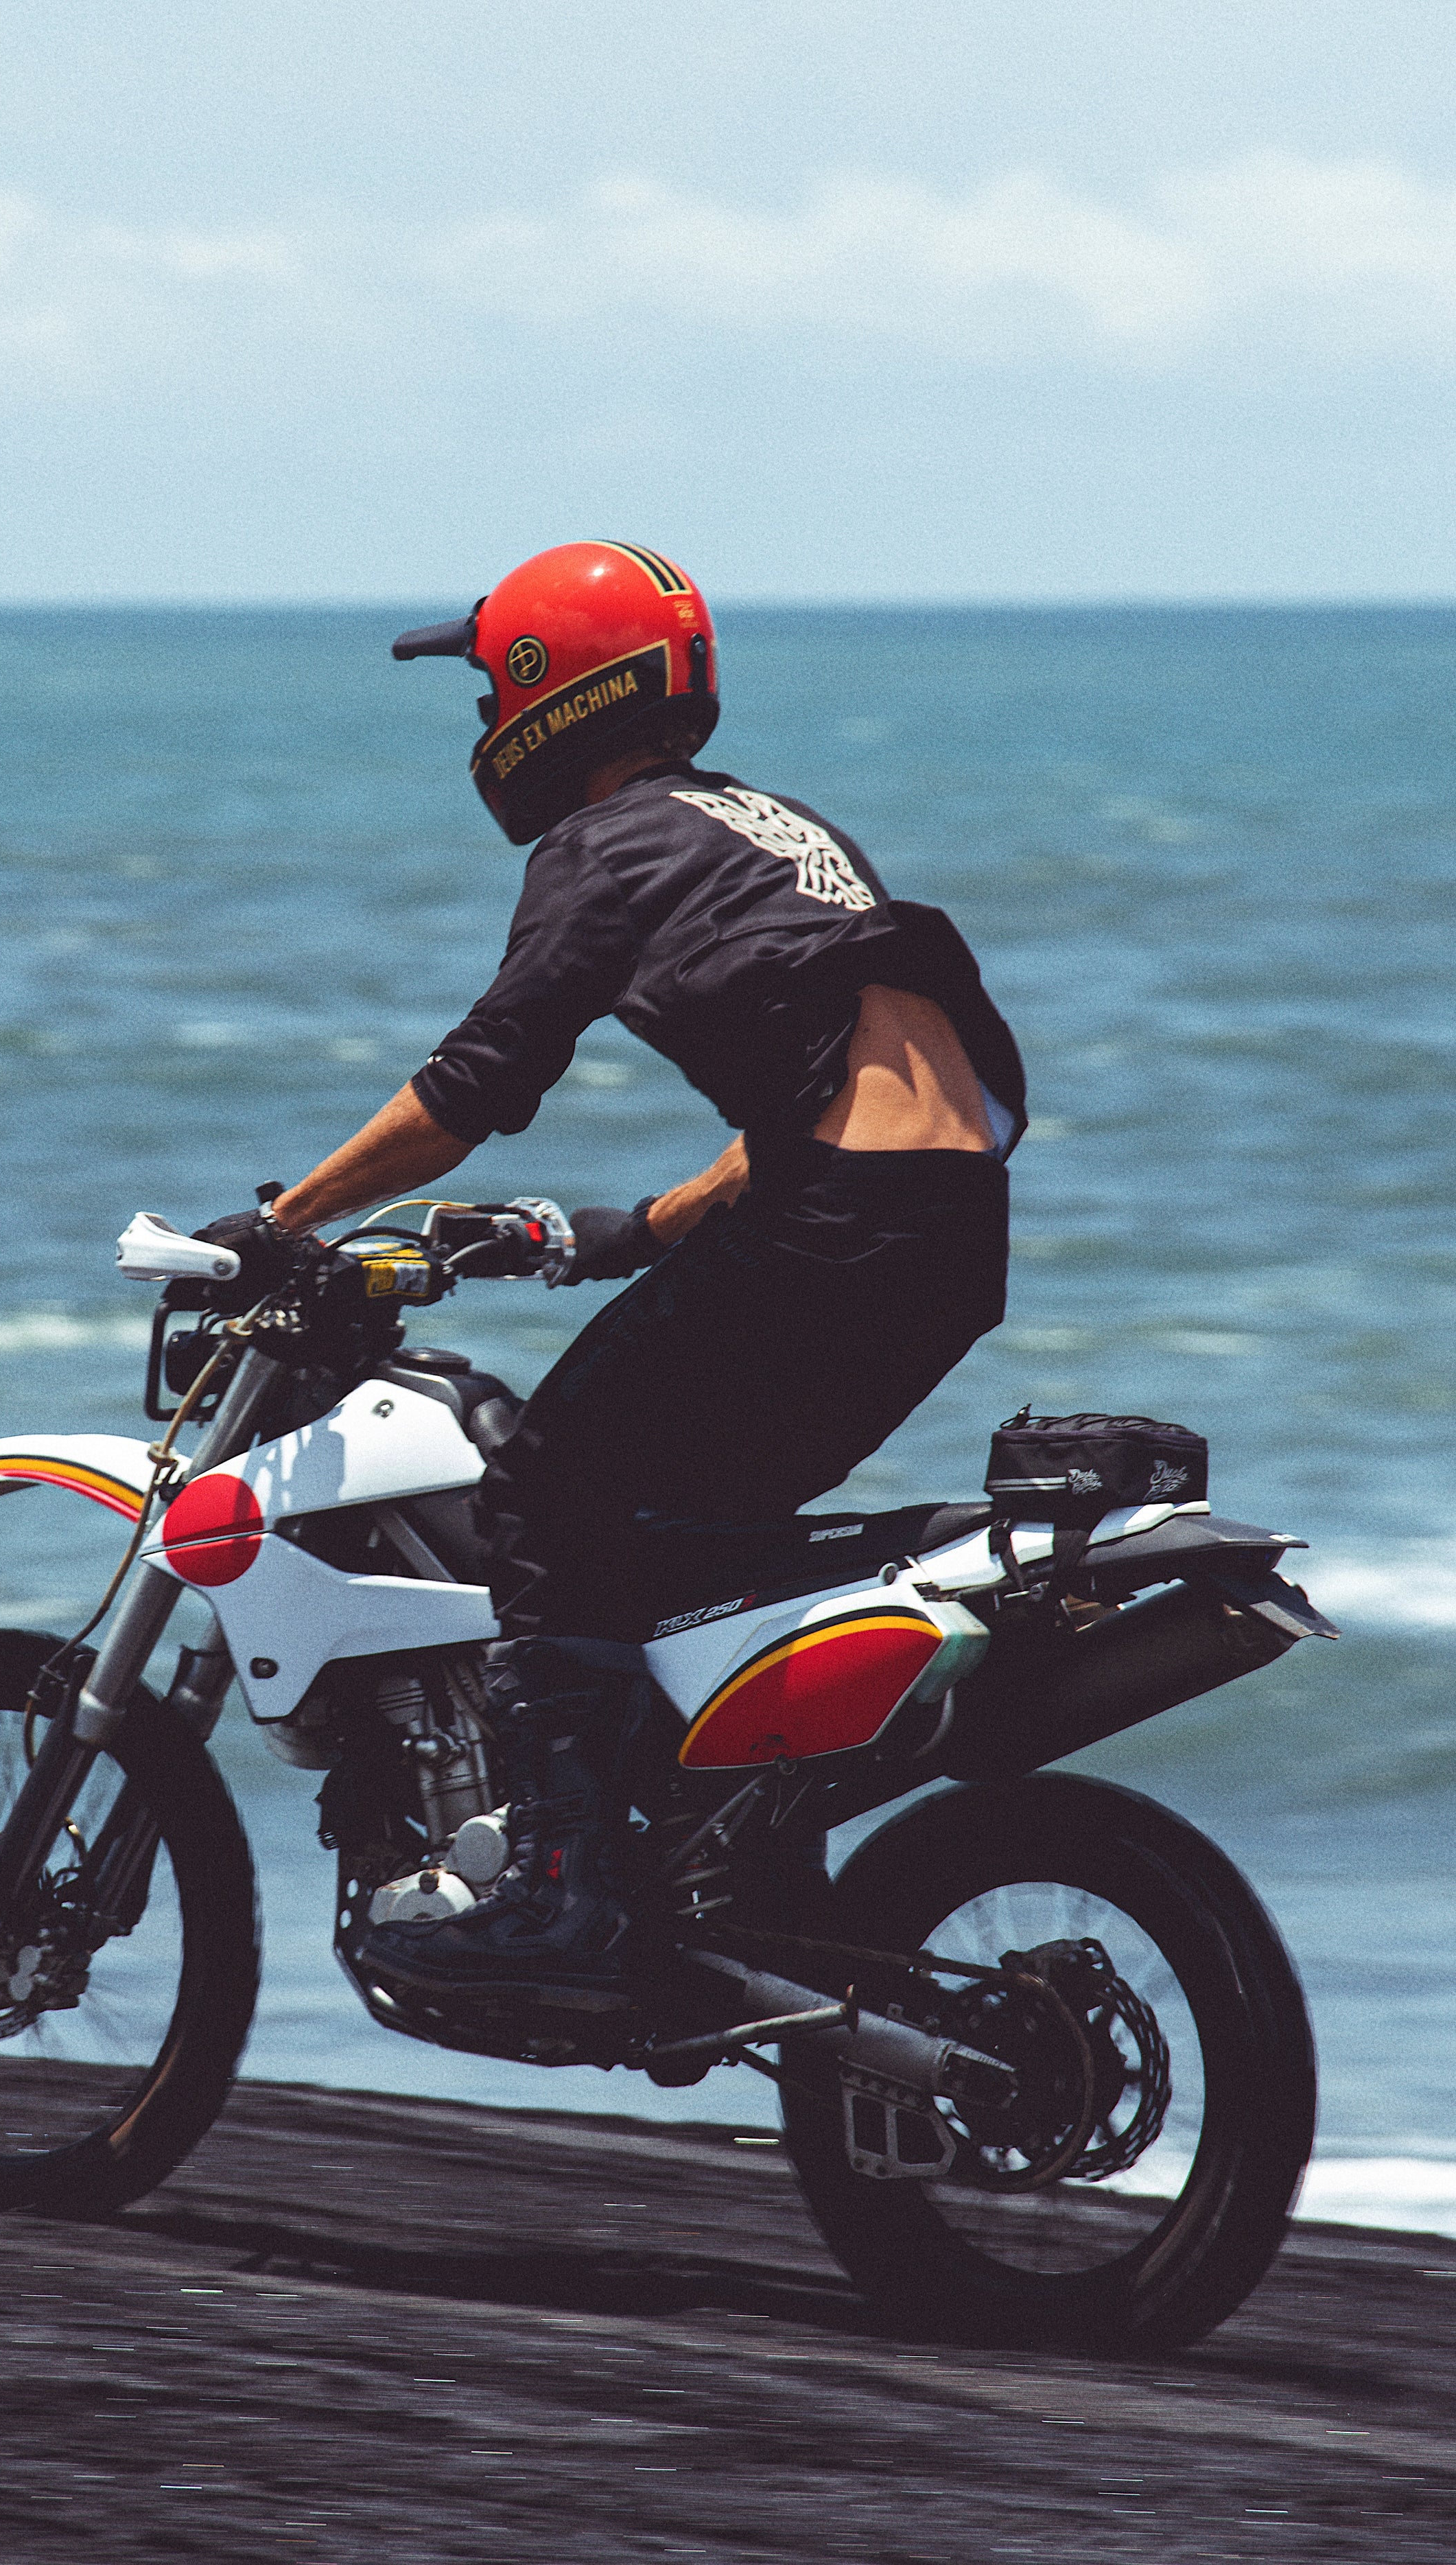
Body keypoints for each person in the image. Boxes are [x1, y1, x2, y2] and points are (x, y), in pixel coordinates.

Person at [198, 540, 1024, 2016]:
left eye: (487, 695)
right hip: (947, 1236)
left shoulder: (605, 843)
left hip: (838, 1227)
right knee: (680, 1547)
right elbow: (843, 1081)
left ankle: (559, 1892)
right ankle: (736, 1878)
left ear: (549, 692)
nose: (480, 729)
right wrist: (639, 1228)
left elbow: (478, 1080)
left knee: (544, 1483)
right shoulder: (772, 826)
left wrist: (288, 1219)